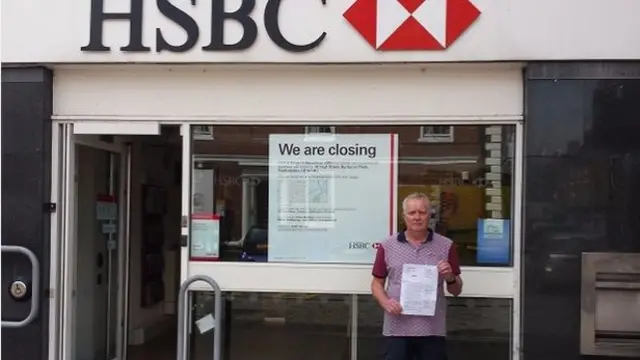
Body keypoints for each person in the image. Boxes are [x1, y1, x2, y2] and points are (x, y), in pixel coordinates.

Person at [371, 192, 462, 360]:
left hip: (432, 330)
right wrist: (385, 302)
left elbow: (456, 290)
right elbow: (376, 283)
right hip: (396, 329)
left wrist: (450, 277)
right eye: (412, 213)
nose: (417, 217)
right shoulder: (387, 246)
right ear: (404, 216)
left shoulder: (446, 246)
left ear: (430, 215)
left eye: (422, 212)